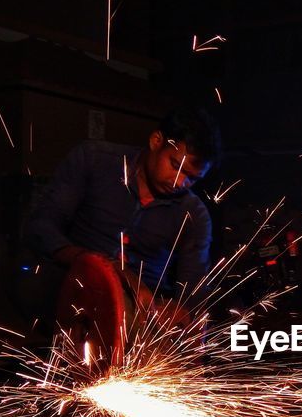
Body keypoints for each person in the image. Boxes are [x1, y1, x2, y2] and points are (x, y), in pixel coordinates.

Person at [17, 105, 220, 332]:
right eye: (175, 166)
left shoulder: (194, 214)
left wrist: (183, 313)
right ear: (156, 141)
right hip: (72, 282)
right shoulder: (93, 160)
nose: (179, 182)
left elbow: (195, 288)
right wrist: (99, 264)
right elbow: (41, 226)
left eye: (192, 178)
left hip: (142, 310)